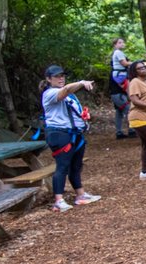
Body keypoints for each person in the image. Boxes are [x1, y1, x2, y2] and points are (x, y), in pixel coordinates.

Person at [40, 65, 101, 212]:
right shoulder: (50, 93)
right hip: (60, 134)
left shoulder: (70, 96)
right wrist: (81, 83)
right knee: (62, 166)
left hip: (74, 133)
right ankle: (58, 201)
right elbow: (65, 90)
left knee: (76, 165)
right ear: (48, 79)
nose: (61, 78)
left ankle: (80, 195)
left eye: (62, 75)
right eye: (57, 76)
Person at [109, 38, 135, 139]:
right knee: (128, 109)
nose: (122, 44)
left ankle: (119, 132)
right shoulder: (118, 53)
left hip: (117, 91)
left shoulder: (117, 56)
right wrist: (134, 63)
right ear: (115, 45)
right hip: (117, 93)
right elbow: (124, 63)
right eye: (119, 42)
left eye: (123, 42)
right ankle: (132, 130)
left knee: (119, 111)